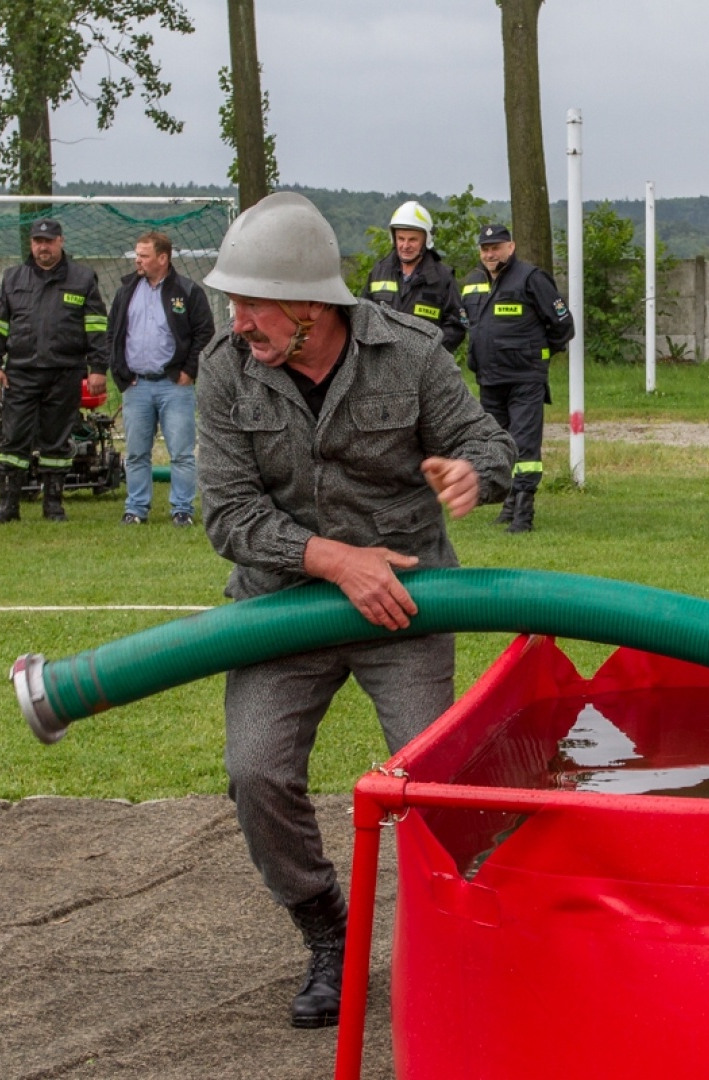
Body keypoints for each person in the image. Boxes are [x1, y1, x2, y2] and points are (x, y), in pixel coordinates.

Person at [195, 192, 516, 1030]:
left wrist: (473, 473)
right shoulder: (227, 369)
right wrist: (337, 561)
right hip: (281, 605)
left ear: (310, 303)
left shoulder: (409, 352)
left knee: (433, 784)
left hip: (402, 605)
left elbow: (488, 440)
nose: (238, 321)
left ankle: (453, 937)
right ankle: (326, 933)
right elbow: (227, 515)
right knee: (256, 772)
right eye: (233, 303)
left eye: (253, 303)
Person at [0, 218, 109, 524]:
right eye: (38, 241)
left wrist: (98, 368)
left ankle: (53, 505)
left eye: (49, 241)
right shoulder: (13, 278)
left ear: (60, 241)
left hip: (65, 371)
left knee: (56, 440)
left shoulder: (82, 278)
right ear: (31, 244)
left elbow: (96, 326)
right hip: (21, 372)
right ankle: (8, 506)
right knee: (13, 439)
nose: (43, 247)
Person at [460, 223, 573, 533]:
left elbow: (563, 324)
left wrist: (537, 355)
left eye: (496, 247)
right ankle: (508, 504)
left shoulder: (531, 278)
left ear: (511, 247)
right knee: (498, 443)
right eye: (485, 249)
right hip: (489, 379)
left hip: (524, 378)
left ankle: (524, 511)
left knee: (523, 444)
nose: (490, 254)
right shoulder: (472, 282)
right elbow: (468, 323)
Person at [108, 230, 215, 527]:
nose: (137, 261)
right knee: (136, 453)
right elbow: (112, 332)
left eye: (144, 256)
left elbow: (204, 333)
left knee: (181, 453)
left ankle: (182, 510)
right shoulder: (126, 291)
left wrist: (188, 371)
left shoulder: (188, 291)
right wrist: (121, 373)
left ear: (163, 258)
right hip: (136, 386)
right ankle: (135, 509)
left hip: (174, 386)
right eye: (137, 255)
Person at [361, 201, 468, 352]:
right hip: (382, 361)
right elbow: (364, 316)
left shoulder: (443, 278)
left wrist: (430, 354)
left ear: (426, 240)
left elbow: (456, 326)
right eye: (401, 238)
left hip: (425, 364)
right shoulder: (379, 272)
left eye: (412, 240)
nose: (405, 246)